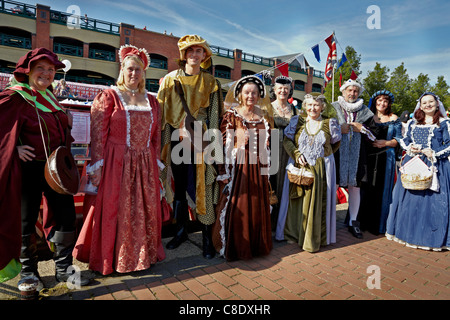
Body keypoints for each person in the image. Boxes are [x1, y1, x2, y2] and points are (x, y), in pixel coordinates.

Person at [0, 48, 89, 289]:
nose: (47, 74)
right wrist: (14, 148)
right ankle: (29, 273)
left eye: (51, 70)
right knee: (25, 221)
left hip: (56, 172)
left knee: (66, 217)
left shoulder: (50, 97)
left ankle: (64, 269)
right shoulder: (14, 96)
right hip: (27, 169)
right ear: (27, 71)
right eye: (41, 68)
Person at [73, 45, 165, 275]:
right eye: (130, 69)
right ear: (122, 70)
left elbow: (156, 137)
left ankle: (143, 255)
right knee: (116, 208)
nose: (134, 74)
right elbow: (98, 134)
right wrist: (98, 164)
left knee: (143, 210)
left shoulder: (152, 101)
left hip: (144, 163)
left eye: (139, 70)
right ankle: (112, 258)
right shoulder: (109, 96)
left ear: (144, 73)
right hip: (116, 162)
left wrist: (156, 162)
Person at [157, 35, 224, 259]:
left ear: (204, 55)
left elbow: (215, 118)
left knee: (202, 188)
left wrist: (214, 150)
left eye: (199, 51)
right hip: (176, 138)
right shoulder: (169, 80)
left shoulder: (211, 82)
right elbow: (162, 115)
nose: (195, 55)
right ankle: (180, 232)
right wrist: (163, 146)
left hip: (201, 141)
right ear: (184, 54)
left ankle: (206, 237)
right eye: (191, 51)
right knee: (179, 187)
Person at [212, 75, 274, 261]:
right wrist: (237, 144)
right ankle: (238, 245)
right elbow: (222, 141)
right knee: (239, 203)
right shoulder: (232, 115)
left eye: (254, 92)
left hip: (259, 166)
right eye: (247, 92)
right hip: (240, 167)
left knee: (257, 206)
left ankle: (256, 245)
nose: (250, 96)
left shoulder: (264, 117)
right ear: (240, 94)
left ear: (259, 95)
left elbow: (269, 143)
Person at [386, 92, 450, 251]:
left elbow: (449, 145)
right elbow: (405, 140)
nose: (428, 105)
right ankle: (409, 234)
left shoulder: (444, 123)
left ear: (437, 103)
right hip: (413, 163)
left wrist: (433, 153)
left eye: (431, 102)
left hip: (435, 165)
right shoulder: (413, 123)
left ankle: (431, 237)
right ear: (420, 106)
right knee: (411, 202)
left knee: (432, 203)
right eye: (424, 103)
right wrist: (410, 147)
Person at [282, 94, 341, 252]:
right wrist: (297, 154)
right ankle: (294, 234)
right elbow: (286, 140)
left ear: (322, 107)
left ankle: (312, 239)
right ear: (305, 106)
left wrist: (322, 158)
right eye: (309, 105)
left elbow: (335, 144)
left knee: (316, 203)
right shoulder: (297, 121)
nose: (312, 108)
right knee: (297, 202)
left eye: (316, 105)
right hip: (299, 168)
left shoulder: (330, 124)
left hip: (320, 169)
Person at [332, 79, 376, 239]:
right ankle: (329, 221)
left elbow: (374, 134)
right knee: (333, 185)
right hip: (337, 152)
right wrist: (338, 128)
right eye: (349, 90)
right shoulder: (333, 108)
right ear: (343, 91)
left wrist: (362, 129)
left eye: (355, 91)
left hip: (358, 155)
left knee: (355, 186)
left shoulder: (366, 111)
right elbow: (324, 128)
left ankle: (353, 222)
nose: (352, 93)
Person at [357, 90, 402, 235]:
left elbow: (400, 140)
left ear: (389, 104)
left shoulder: (394, 118)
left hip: (385, 157)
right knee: (366, 188)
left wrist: (386, 143)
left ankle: (379, 224)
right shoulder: (367, 117)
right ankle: (362, 222)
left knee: (381, 190)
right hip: (368, 157)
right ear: (375, 101)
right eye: (379, 100)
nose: (382, 103)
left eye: (385, 101)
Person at [269, 76, 297, 230]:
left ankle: (282, 221)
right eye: (280, 88)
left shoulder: (293, 109)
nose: (283, 91)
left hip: (288, 150)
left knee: (286, 184)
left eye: (286, 88)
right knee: (272, 183)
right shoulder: (268, 106)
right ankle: (271, 221)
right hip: (272, 149)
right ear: (274, 90)